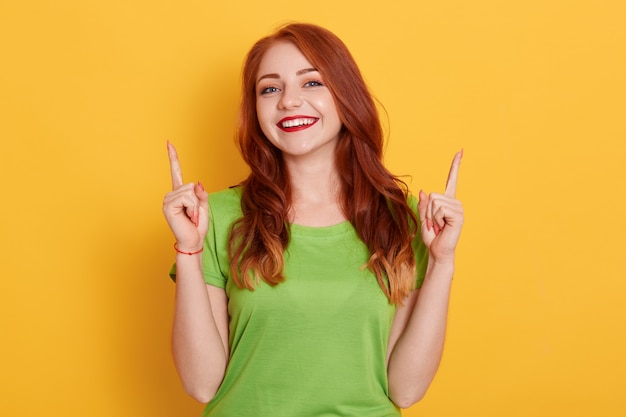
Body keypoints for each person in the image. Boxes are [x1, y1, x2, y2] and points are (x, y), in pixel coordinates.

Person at [162, 23, 464, 417]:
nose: (288, 101)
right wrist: (189, 248)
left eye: (311, 83)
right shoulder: (213, 218)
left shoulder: (403, 219)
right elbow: (201, 384)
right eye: (270, 89)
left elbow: (404, 390)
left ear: (345, 95)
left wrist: (442, 261)